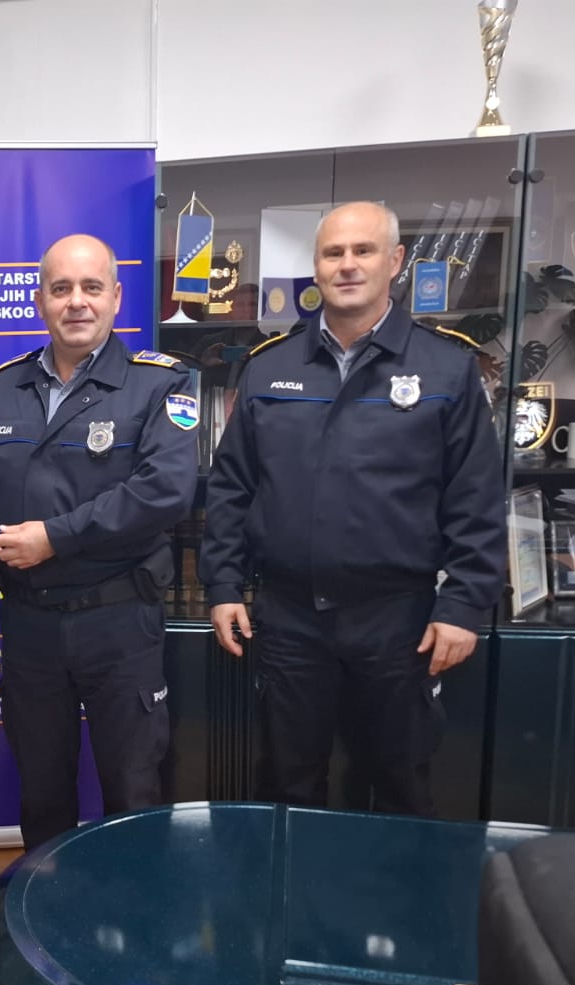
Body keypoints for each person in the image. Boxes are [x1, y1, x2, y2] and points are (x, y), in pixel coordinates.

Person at [198, 200, 506, 815]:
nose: (347, 265)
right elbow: (232, 486)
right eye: (333, 253)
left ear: (395, 261)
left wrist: (464, 604)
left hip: (398, 621)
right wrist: (223, 585)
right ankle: (292, 882)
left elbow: (474, 495)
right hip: (288, 618)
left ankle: (391, 885)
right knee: (287, 784)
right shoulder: (270, 367)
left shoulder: (445, 368)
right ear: (316, 266)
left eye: (363, 251)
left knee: (398, 783)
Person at [0, 233, 199, 851]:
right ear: (40, 300)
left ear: (116, 297)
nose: (76, 302)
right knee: (41, 793)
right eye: (61, 288)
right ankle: (45, 905)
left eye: (92, 287)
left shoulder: (159, 385)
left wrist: (55, 538)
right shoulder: (3, 387)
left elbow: (165, 491)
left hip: (118, 622)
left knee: (133, 789)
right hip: (29, 625)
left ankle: (136, 906)